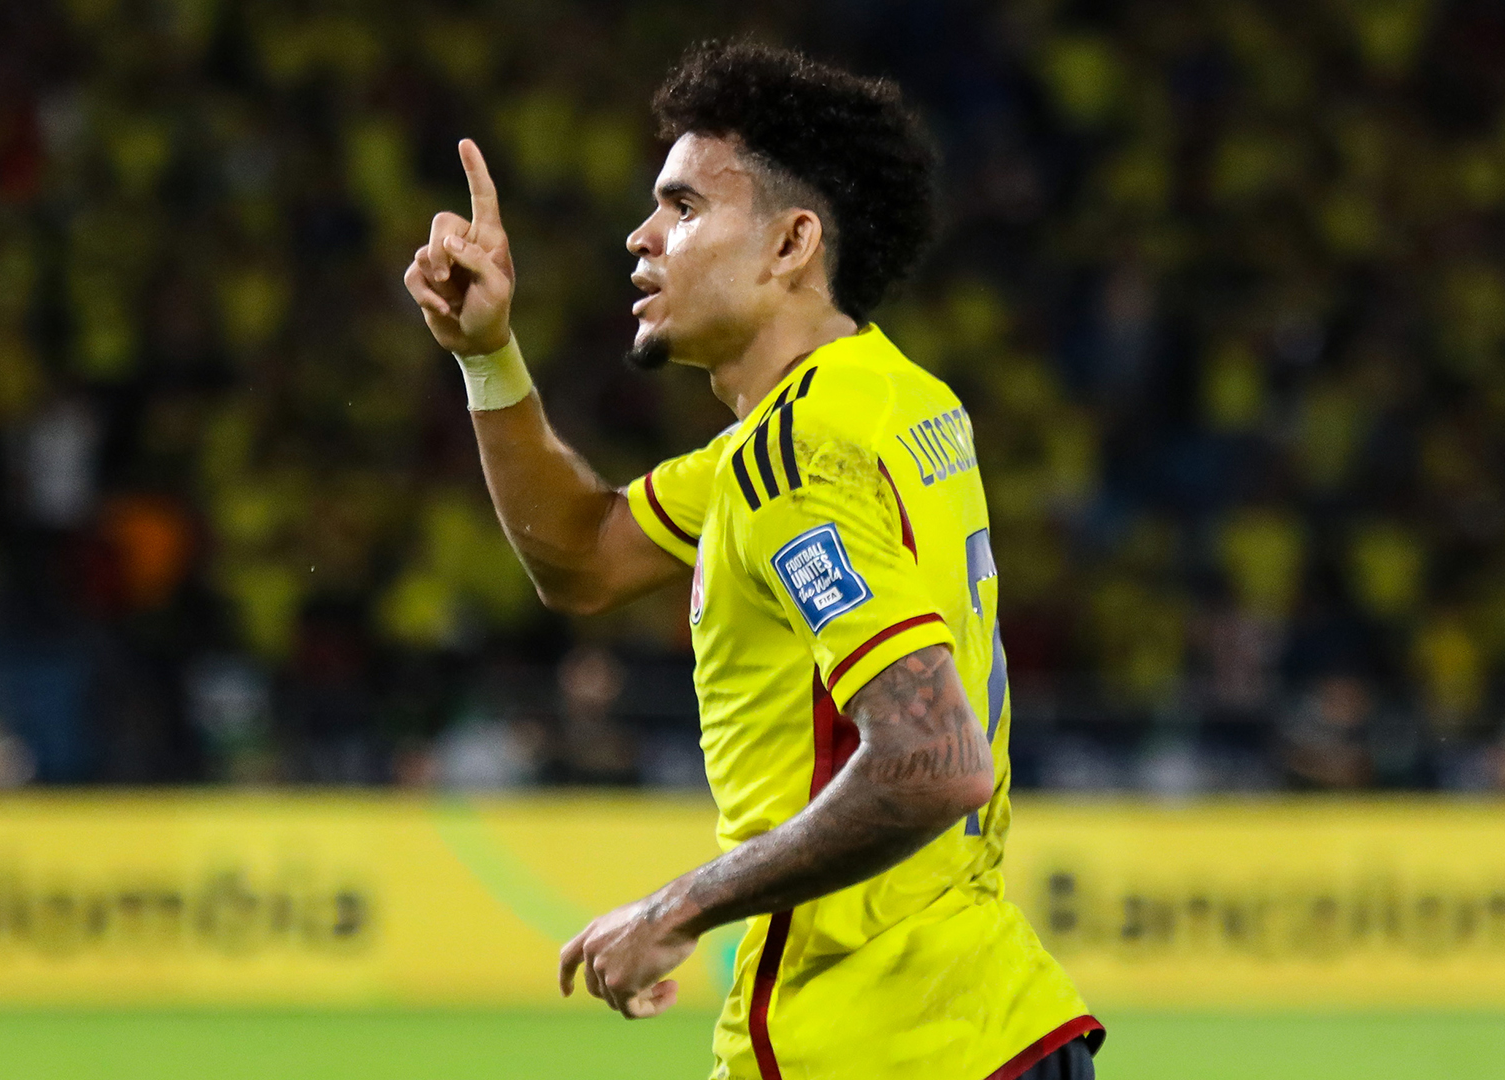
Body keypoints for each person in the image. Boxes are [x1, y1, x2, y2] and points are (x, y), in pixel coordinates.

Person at [403, 40, 1098, 1080]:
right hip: (989, 1020)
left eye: (683, 208)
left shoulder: (798, 456)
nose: (641, 237)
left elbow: (932, 760)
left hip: (871, 1047)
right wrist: (487, 357)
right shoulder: (894, 401)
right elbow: (583, 559)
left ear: (790, 245)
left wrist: (678, 908)